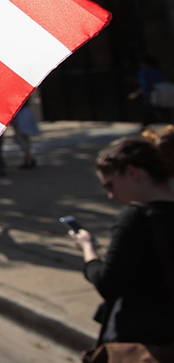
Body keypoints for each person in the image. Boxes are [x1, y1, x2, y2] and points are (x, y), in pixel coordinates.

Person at [70, 133, 174, 346]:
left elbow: (108, 284)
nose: (112, 196)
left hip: (150, 348)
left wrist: (89, 251)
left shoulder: (137, 218)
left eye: (110, 186)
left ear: (132, 172)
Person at [12, 100, 40, 170]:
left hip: (21, 115)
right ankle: (28, 157)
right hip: (24, 113)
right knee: (23, 138)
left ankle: (28, 158)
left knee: (20, 138)